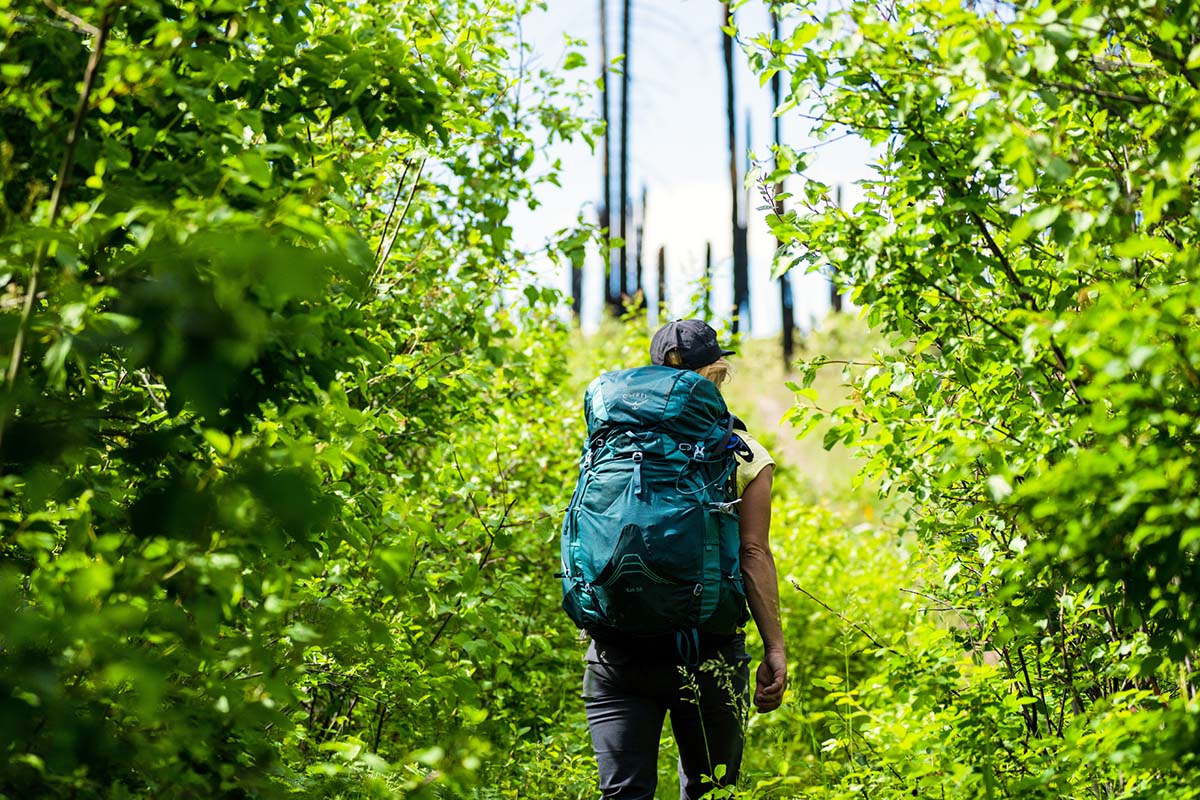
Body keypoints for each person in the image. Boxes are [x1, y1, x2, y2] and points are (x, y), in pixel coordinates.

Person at [581, 319, 788, 799]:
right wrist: (774, 647)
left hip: (616, 649)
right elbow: (753, 552)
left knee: (623, 794)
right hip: (706, 650)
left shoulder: (608, 445)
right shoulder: (742, 452)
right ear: (717, 372)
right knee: (710, 792)